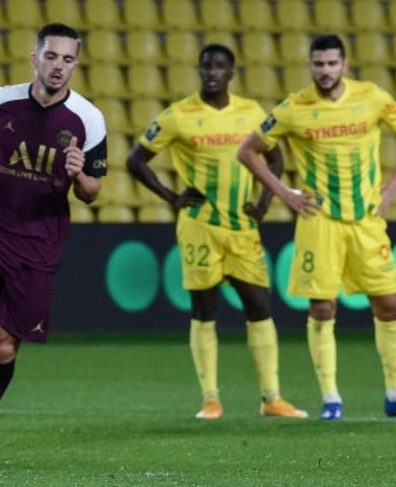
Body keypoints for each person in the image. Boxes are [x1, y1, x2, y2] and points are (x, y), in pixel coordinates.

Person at [238, 34, 396, 421]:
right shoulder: (294, 107)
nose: (325, 71)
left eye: (331, 63)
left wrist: (392, 186)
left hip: (365, 220)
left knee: (390, 305)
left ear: (344, 65)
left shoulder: (371, 96)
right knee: (323, 307)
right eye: (318, 64)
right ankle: (331, 399)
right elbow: (248, 151)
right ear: (310, 66)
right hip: (318, 220)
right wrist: (285, 193)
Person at [0, 23, 107, 458]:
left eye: (68, 59)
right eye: (51, 57)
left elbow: (93, 193)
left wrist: (79, 173)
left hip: (39, 245)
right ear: (35, 59)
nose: (59, 67)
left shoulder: (88, 120)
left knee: (3, 348)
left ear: (76, 64)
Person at [126, 44, 307, 421]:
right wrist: (171, 196)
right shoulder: (179, 115)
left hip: (242, 227)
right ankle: (210, 399)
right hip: (200, 227)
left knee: (259, 305)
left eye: (220, 66)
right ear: (199, 70)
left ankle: (271, 398)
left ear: (231, 73)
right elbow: (135, 160)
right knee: (204, 310)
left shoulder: (251, 112)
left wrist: (264, 202)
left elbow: (274, 153)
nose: (212, 72)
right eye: (206, 66)